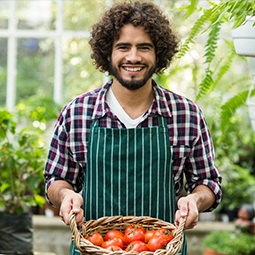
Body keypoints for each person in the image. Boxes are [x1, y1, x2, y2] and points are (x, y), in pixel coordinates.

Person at [44, 1, 222, 254]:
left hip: (162, 248)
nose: (134, 57)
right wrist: (65, 196)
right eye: (123, 47)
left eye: (144, 48)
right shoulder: (77, 113)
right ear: (107, 53)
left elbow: (207, 182)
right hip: (93, 248)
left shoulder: (187, 114)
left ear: (158, 54)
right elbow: (56, 179)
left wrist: (195, 199)